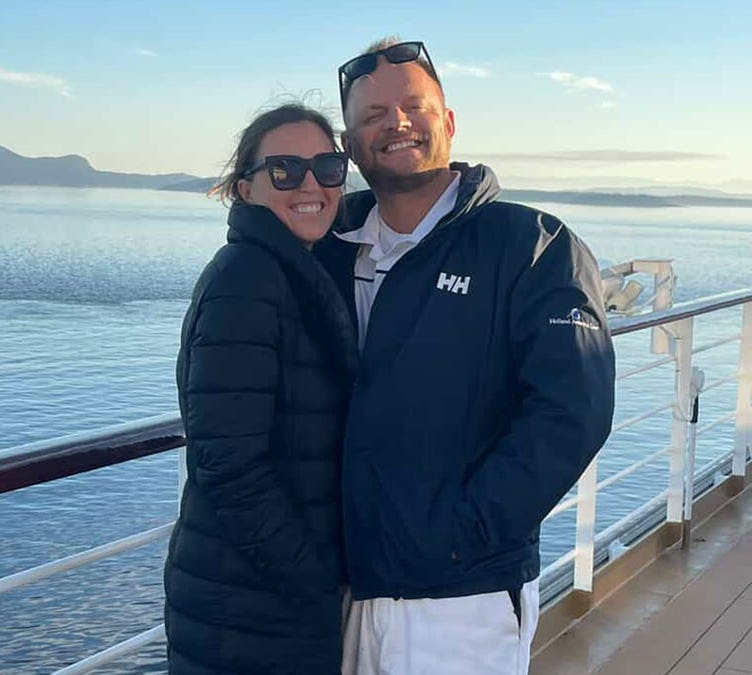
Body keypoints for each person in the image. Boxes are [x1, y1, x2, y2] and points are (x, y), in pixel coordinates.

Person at [311, 38, 617, 674]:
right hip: (335, 588)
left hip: (458, 598)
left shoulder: (532, 246)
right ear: (350, 145)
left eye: (412, 106)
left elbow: (572, 412)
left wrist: (462, 535)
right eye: (372, 116)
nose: (394, 123)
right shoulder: (327, 251)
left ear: (447, 123)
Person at [164, 103, 358, 674]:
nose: (310, 184)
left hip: (264, 594)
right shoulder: (245, 280)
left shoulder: (295, 270)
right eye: (284, 170)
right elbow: (229, 464)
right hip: (249, 602)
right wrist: (314, 579)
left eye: (327, 166)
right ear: (245, 190)